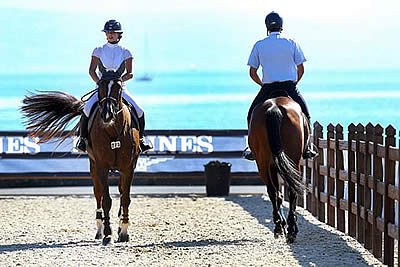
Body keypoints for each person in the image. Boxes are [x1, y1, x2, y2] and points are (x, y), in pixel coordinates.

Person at [243, 11, 317, 160]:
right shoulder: (291, 42)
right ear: (281, 26)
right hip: (289, 86)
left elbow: (252, 72)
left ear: (267, 27)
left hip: (268, 87)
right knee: (306, 114)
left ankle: (251, 147)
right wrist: (294, 82)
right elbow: (301, 68)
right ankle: (308, 146)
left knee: (251, 114)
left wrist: (262, 84)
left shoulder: (259, 45)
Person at [76, 19, 153, 153]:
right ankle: (82, 139)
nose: (110, 34)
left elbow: (130, 74)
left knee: (140, 111)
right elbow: (91, 71)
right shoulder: (98, 50)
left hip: (120, 89)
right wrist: (99, 83)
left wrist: (118, 81)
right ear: (105, 34)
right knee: (87, 109)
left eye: (113, 32)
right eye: (108, 32)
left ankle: (141, 140)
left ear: (119, 34)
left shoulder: (125, 52)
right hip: (102, 89)